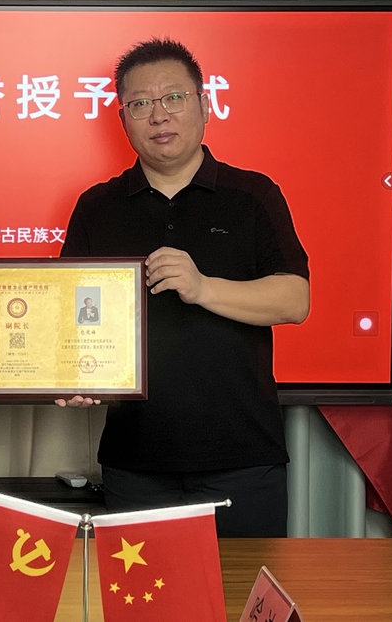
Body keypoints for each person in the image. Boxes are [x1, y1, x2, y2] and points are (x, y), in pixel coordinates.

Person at [58, 38, 310, 538]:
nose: (158, 115)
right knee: (138, 591)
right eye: (140, 103)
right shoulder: (97, 207)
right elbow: (70, 316)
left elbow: (294, 300)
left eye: (173, 97)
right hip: (135, 462)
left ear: (204, 106)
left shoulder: (253, 195)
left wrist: (203, 287)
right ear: (123, 119)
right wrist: (74, 375)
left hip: (243, 458)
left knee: (242, 590)